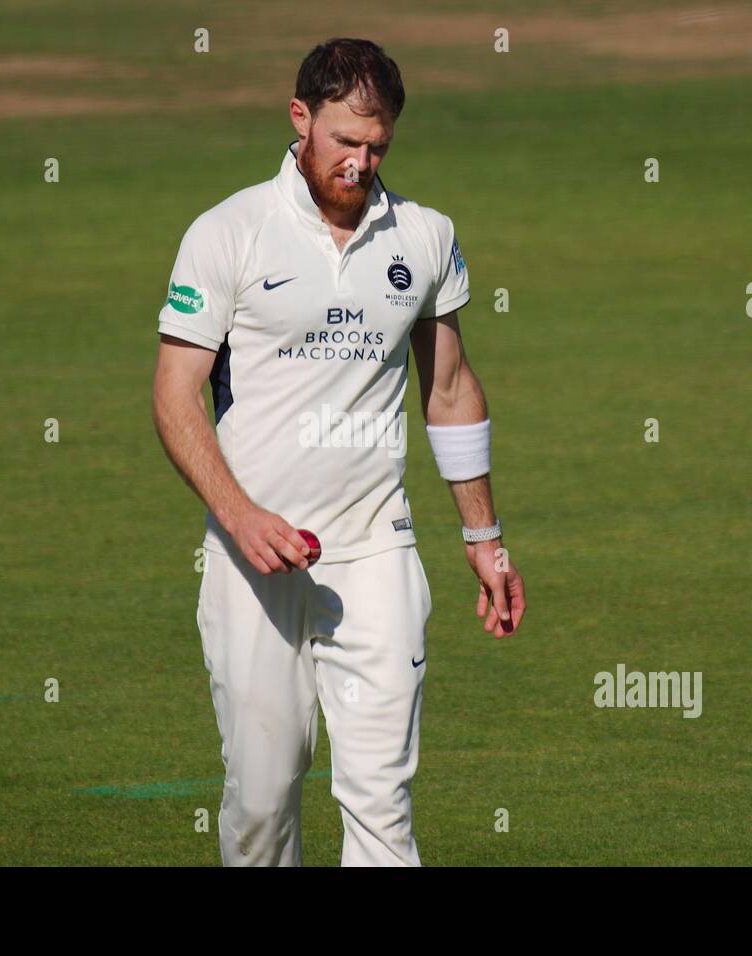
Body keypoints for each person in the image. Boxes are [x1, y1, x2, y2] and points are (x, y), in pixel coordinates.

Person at [151, 37, 526, 866]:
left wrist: (484, 538)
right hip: (255, 556)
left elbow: (452, 388)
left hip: (374, 550)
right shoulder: (229, 232)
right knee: (261, 800)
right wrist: (239, 516)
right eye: (345, 141)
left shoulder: (425, 237)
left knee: (383, 802)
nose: (360, 162)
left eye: (378, 145)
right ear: (300, 118)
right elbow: (175, 396)